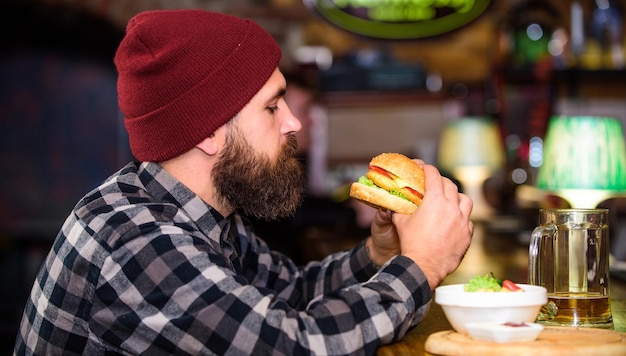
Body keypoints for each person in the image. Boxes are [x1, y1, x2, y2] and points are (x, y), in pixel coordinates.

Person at [14, 9, 473, 355]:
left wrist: (382, 254)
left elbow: (293, 293)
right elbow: (296, 346)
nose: (293, 121)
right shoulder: (138, 242)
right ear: (209, 131)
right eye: (273, 107)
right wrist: (421, 266)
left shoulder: (194, 209)